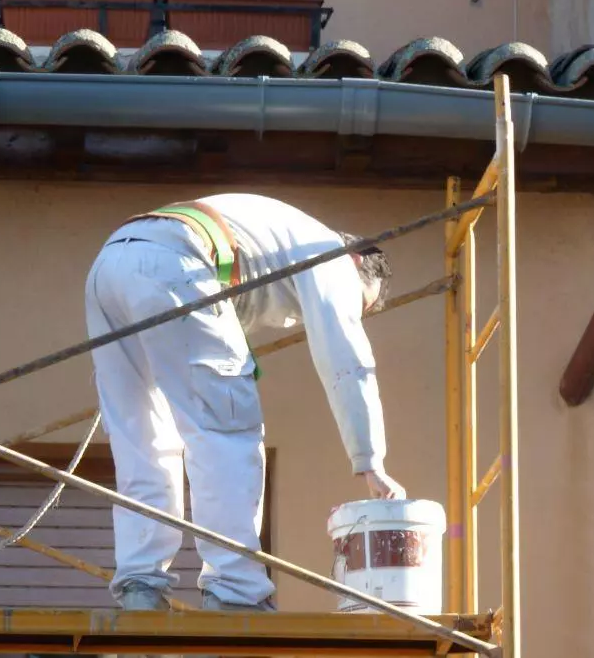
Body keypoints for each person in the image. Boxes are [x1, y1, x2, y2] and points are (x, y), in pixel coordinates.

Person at [83, 192, 406, 614]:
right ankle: (234, 591)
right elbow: (348, 361)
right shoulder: (329, 254)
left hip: (110, 265)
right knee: (225, 430)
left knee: (143, 438)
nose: (349, 312)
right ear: (358, 262)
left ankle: (140, 586)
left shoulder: (279, 239)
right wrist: (370, 460)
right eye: (359, 305)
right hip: (177, 262)